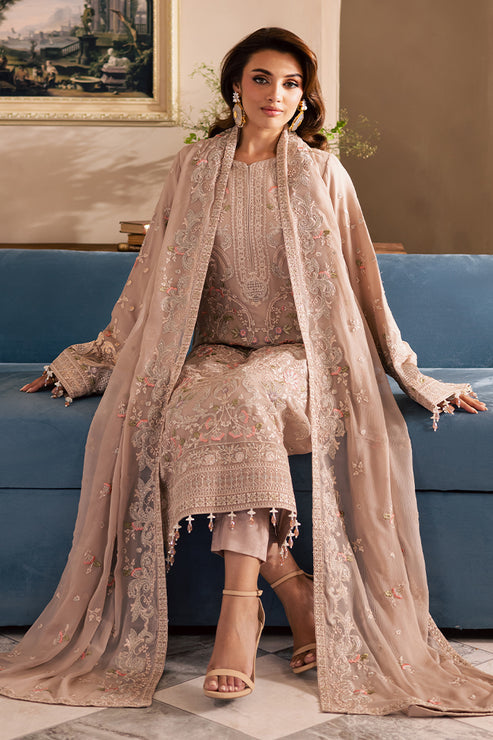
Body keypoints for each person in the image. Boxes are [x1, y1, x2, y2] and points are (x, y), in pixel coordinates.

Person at [2, 27, 492, 715]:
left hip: (300, 354)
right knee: (205, 399)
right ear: (236, 85)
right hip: (211, 350)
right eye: (262, 79)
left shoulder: (321, 172)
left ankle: (239, 611)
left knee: (242, 396)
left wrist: (410, 372)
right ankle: (290, 589)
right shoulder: (195, 167)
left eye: (291, 84)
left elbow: (362, 281)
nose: (276, 95)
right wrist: (96, 359)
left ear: (304, 98)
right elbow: (153, 273)